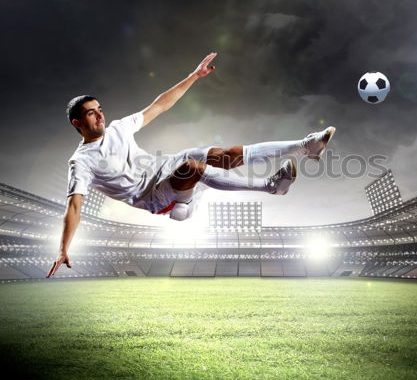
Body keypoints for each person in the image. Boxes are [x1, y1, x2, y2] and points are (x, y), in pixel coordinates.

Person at [46, 53, 335, 278]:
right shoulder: (80, 162)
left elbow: (158, 106)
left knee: (225, 154)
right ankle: (269, 187)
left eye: (99, 110)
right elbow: (73, 208)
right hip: (152, 196)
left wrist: (193, 76)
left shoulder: (119, 128)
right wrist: (63, 249)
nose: (99, 116)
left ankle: (305, 146)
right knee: (192, 169)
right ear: (77, 123)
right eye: (91, 114)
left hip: (165, 166)